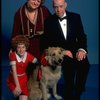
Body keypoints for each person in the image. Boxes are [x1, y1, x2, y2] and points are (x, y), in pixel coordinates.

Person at [41, 0, 90, 100]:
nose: (58, 10)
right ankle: (69, 93)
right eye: (55, 7)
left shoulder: (76, 17)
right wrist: (62, 52)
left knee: (85, 65)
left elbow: (82, 36)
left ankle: (79, 89)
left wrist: (81, 50)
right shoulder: (48, 21)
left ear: (66, 5)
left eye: (61, 6)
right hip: (60, 53)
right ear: (53, 7)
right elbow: (47, 43)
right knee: (70, 67)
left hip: (75, 50)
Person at [7, 35, 38, 100]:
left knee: (23, 98)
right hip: (13, 80)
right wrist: (17, 86)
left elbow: (37, 61)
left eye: (23, 47)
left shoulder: (28, 55)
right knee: (17, 93)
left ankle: (17, 95)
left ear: (26, 47)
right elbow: (14, 72)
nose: (21, 50)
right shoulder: (13, 55)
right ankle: (16, 95)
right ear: (16, 47)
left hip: (23, 80)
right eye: (19, 47)